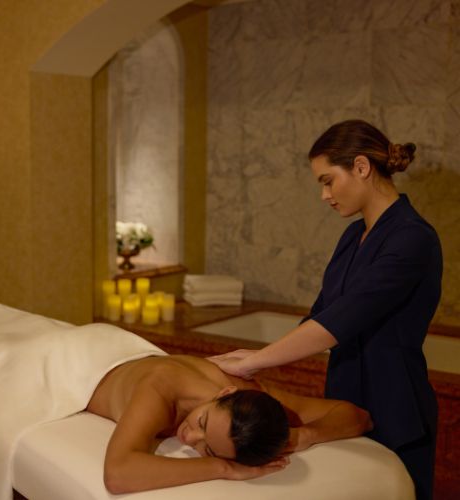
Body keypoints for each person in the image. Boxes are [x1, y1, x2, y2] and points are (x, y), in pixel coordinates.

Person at [208, 119, 442, 500]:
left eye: (327, 180)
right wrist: (256, 368)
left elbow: (340, 322)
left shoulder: (413, 238)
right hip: (342, 403)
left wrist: (258, 361)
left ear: (362, 167)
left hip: (395, 407)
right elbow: (320, 315)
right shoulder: (353, 236)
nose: (325, 195)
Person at [86, 352, 372, 494]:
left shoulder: (252, 404)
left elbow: (358, 416)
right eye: (203, 421)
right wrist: (221, 467)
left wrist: (304, 435)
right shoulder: (160, 386)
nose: (189, 438)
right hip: (88, 360)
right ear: (225, 393)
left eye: (207, 449)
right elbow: (117, 475)